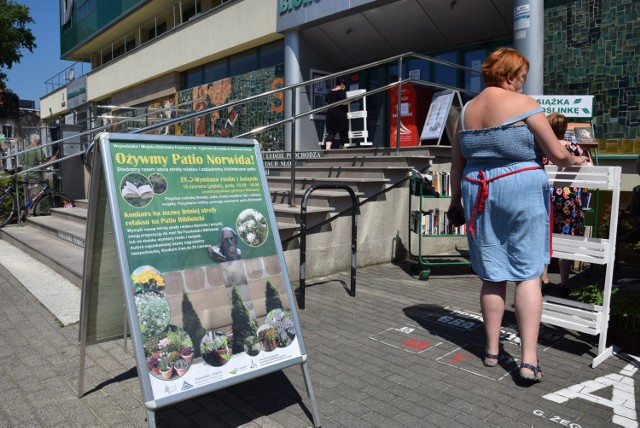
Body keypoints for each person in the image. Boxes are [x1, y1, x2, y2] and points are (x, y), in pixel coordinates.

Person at [447, 48, 590, 383]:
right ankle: (528, 360)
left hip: (477, 191)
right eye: (521, 76)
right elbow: (557, 153)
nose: (522, 82)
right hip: (520, 189)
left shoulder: (466, 111)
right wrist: (578, 161)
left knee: (492, 274)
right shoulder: (524, 104)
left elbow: (457, 163)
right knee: (527, 274)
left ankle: (492, 350)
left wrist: (456, 201)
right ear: (510, 75)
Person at [541, 113, 591, 294]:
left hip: (546, 198)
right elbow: (589, 171)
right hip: (569, 200)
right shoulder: (575, 148)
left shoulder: (543, 148)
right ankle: (564, 282)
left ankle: (544, 277)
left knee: (545, 238)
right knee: (567, 239)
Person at [323, 78, 349, 150]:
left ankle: (327, 148)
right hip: (340, 114)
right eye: (344, 85)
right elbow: (343, 103)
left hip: (330, 114)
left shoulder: (330, 92)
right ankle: (344, 148)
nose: (345, 86)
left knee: (331, 132)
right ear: (342, 84)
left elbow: (326, 102)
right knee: (343, 131)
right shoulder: (342, 92)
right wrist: (351, 101)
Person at [19, 133, 45, 200]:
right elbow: (41, 164)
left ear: (31, 141)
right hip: (35, 177)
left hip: (25, 176)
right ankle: (34, 211)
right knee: (35, 199)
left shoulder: (26, 149)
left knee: (27, 198)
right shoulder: (38, 149)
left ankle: (26, 210)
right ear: (38, 141)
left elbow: (21, 163)